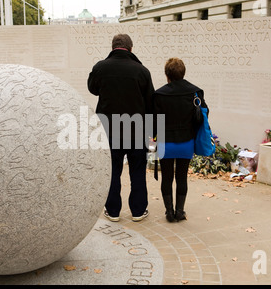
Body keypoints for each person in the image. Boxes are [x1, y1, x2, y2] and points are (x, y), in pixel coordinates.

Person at [88, 34, 155, 222]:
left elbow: (92, 88)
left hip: (110, 130)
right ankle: (138, 211)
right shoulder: (142, 71)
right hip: (137, 130)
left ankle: (113, 210)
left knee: (113, 171)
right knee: (137, 171)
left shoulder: (100, 67)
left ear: (112, 47)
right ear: (131, 49)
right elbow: (150, 103)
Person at [153, 58, 208, 222]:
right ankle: (180, 211)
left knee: (167, 178)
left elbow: (152, 122)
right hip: (186, 142)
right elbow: (203, 115)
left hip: (165, 143)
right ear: (183, 73)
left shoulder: (159, 94)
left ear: (166, 74)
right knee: (182, 177)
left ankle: (169, 212)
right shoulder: (195, 93)